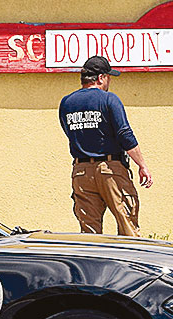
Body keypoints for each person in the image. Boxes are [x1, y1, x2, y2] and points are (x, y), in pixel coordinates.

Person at [58, 56, 154, 236]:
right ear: (101, 78)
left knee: (90, 233)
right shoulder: (109, 99)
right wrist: (142, 165)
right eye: (108, 77)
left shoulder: (66, 103)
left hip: (81, 172)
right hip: (110, 170)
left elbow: (68, 132)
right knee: (127, 225)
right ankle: (129, 255)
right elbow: (125, 134)